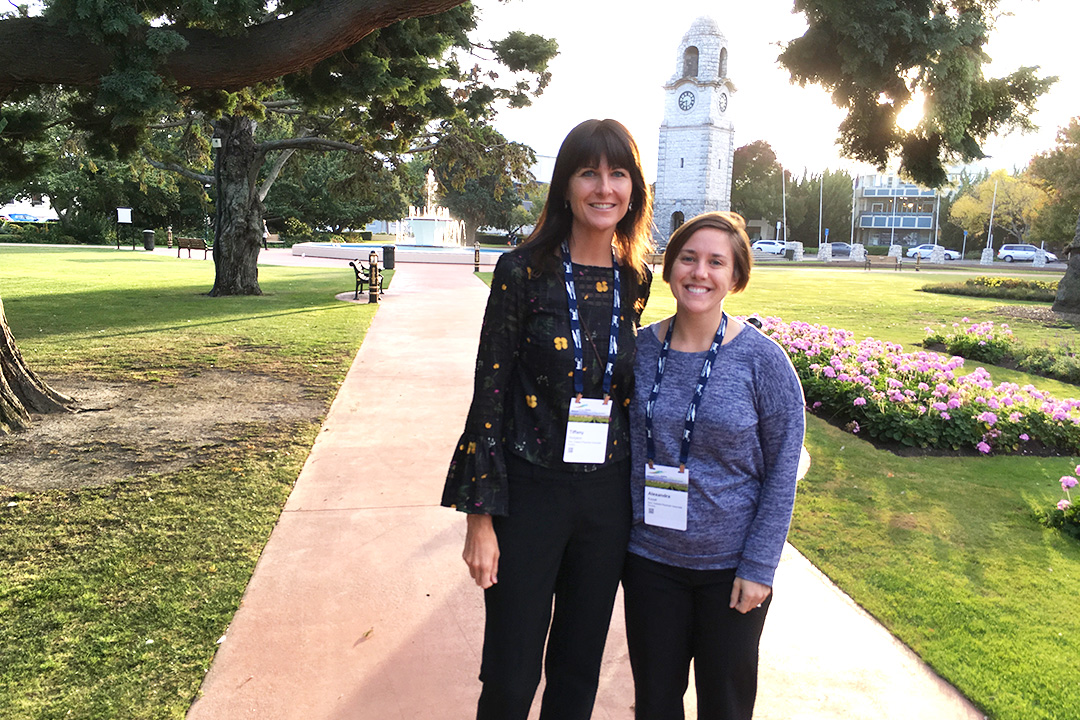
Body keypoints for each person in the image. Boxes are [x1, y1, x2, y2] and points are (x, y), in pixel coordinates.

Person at [441, 118, 654, 720]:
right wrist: (479, 519)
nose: (604, 187)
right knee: (510, 678)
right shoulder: (522, 271)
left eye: (618, 173)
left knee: (577, 672)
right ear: (565, 186)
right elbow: (490, 395)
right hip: (530, 491)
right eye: (589, 171)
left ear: (632, 188)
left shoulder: (634, 279)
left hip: (605, 497)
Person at [623, 211, 805, 720]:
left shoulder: (762, 362)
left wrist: (758, 566)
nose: (699, 272)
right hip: (649, 562)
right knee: (655, 702)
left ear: (735, 277)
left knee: (725, 706)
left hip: (730, 572)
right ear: (670, 267)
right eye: (688, 258)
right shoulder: (638, 351)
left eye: (715, 262)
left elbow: (782, 472)